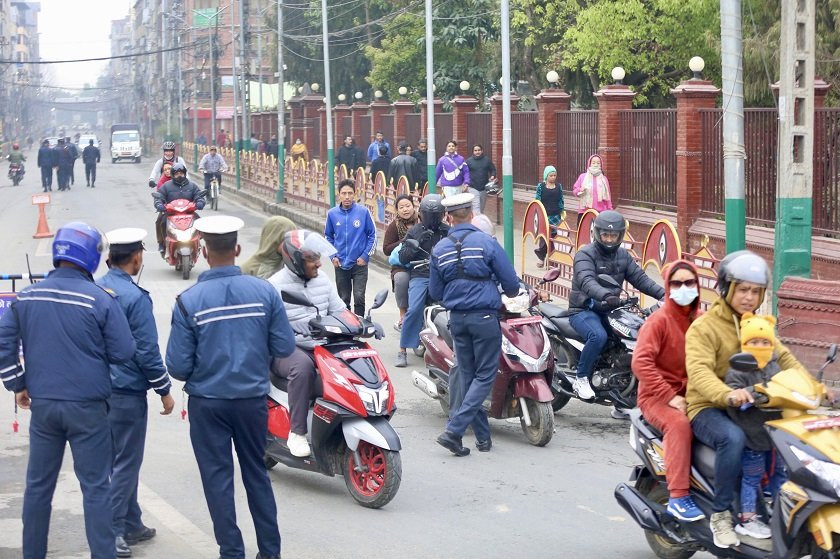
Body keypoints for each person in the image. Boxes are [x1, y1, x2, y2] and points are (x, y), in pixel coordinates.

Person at [0, 222, 136, 558]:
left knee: (37, 489)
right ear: (91, 257)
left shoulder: (27, 296)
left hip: (44, 406)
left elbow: (4, 343)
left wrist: (18, 383)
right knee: (95, 489)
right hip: (89, 409)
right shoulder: (100, 300)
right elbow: (124, 351)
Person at [166, 215, 295, 559]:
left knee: (217, 479)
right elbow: (284, 348)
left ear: (204, 252)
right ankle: (270, 552)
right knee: (257, 474)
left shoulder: (188, 300)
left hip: (207, 404)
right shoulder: (264, 292)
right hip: (252, 401)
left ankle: (231, 551)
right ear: (237, 249)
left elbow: (177, 367)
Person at [685, 250, 805, 549]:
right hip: (709, 407)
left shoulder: (760, 328)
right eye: (743, 290)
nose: (749, 297)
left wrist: (815, 388)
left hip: (753, 406)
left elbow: (788, 361)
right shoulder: (705, 327)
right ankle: (721, 514)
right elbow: (699, 371)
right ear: (726, 289)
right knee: (734, 439)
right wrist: (726, 393)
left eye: (755, 291)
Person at [98, 228, 174, 558]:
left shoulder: (95, 289)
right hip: (127, 391)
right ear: (138, 257)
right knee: (126, 462)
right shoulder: (134, 297)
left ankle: (131, 520)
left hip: (97, 389)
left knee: (114, 458)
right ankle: (113, 529)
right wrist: (164, 389)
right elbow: (145, 350)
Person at [429, 193, 520, 456]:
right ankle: (454, 430)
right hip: (484, 318)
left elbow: (435, 291)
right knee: (485, 376)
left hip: (457, 318)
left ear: (449, 217)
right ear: (471, 214)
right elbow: (511, 284)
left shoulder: (440, 249)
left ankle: (482, 437)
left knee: (467, 376)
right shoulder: (486, 242)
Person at [632, 260, 704, 523]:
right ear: (668, 287)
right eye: (677, 283)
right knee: (679, 425)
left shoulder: (701, 321)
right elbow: (640, 363)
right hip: (656, 397)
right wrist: (669, 396)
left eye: (689, 283)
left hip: (694, 395)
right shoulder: (658, 322)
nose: (684, 288)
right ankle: (678, 496)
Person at [567, 210, 665, 406]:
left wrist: (666, 295)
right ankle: (581, 378)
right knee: (599, 336)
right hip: (584, 309)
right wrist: (605, 295)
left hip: (612, 309)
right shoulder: (584, 254)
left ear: (620, 236)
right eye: (606, 235)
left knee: (634, 337)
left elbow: (641, 279)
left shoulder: (623, 256)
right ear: (598, 233)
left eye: (614, 236)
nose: (610, 240)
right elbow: (587, 281)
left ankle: (622, 398)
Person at [268, 230, 346, 458]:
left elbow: (340, 310)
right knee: (302, 368)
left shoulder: (323, 280)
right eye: (312, 259)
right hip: (287, 349)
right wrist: (288, 328)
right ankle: (298, 432)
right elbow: (265, 327)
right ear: (294, 260)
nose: (319, 264)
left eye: (318, 257)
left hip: (322, 345)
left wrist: (363, 324)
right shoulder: (274, 286)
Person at [724, 312, 787, 540]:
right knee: (752, 477)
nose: (759, 346)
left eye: (764, 342)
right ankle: (747, 517)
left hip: (775, 434)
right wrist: (747, 395)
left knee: (781, 472)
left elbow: (786, 383)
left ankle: (779, 510)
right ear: (744, 344)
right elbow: (732, 393)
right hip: (751, 436)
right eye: (753, 342)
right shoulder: (738, 368)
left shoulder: (774, 366)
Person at [395, 194, 450, 367]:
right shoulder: (415, 230)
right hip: (422, 275)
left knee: (453, 304)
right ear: (422, 213)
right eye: (429, 214)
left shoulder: (447, 231)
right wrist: (416, 242)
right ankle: (402, 350)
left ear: (442, 214)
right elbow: (403, 258)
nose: (433, 218)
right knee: (415, 308)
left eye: (436, 214)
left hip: (441, 276)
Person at [324, 179, 377, 315]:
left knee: (359, 297)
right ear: (339, 195)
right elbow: (328, 237)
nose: (347, 197)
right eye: (344, 193)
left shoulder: (363, 212)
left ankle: (359, 326)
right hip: (341, 263)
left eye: (350, 193)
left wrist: (365, 256)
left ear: (355, 194)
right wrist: (332, 256)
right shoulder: (332, 214)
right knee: (343, 299)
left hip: (359, 264)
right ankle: (346, 328)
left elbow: (373, 235)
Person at [382, 195, 418, 332]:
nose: (405, 209)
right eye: (401, 207)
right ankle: (403, 315)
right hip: (401, 265)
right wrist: (403, 241)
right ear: (397, 210)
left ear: (413, 206)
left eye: (407, 206)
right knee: (401, 279)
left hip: (421, 263)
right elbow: (386, 249)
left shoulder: (422, 221)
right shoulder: (394, 226)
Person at [154, 162, 206, 255]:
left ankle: (197, 240)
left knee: (200, 222)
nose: (179, 176)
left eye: (181, 173)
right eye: (177, 174)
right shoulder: (166, 186)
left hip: (189, 212)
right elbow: (159, 196)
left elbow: (198, 195)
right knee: (161, 222)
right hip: (170, 213)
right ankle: (162, 243)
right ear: (173, 175)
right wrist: (159, 204)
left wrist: (200, 202)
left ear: (185, 174)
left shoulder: (192, 186)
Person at [534, 165, 564, 268]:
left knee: (554, 238)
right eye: (551, 175)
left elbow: (561, 199)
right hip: (544, 216)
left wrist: (562, 211)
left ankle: (552, 261)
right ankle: (541, 257)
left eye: (554, 175)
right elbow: (537, 200)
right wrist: (538, 213)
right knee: (544, 237)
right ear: (546, 176)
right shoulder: (541, 186)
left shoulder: (559, 186)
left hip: (556, 216)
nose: (553, 177)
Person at [465, 144, 496, 214]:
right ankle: (476, 223)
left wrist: (493, 176)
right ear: (473, 152)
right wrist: (465, 183)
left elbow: (493, 170)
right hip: (472, 187)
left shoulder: (487, 160)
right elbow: (464, 173)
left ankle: (476, 219)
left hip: (484, 188)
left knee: (481, 207)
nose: (477, 152)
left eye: (479, 150)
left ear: (482, 151)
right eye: (475, 150)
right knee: (476, 206)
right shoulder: (468, 161)